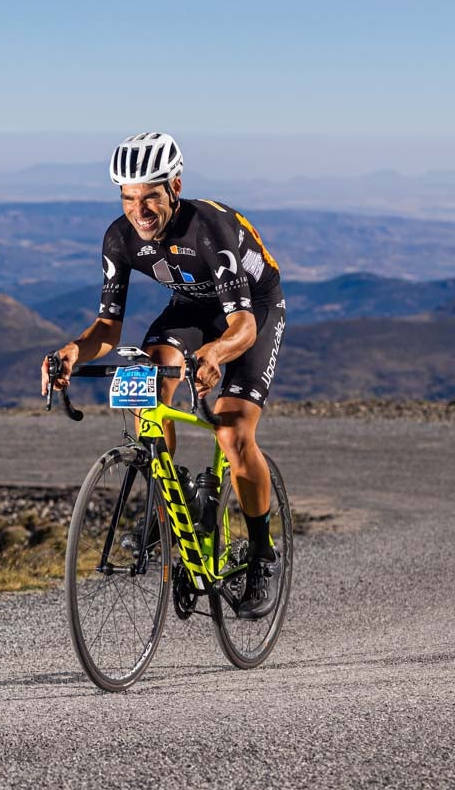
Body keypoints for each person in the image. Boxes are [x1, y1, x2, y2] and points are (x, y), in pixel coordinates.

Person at [40, 132, 286, 619]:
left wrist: (215, 354)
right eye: (129, 197)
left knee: (234, 434)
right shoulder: (119, 237)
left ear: (174, 186)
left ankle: (261, 553)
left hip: (251, 314)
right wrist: (71, 350)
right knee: (141, 385)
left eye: (150, 195)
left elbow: (242, 326)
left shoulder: (210, 229)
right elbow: (107, 328)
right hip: (191, 310)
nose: (140, 209)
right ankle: (167, 500)